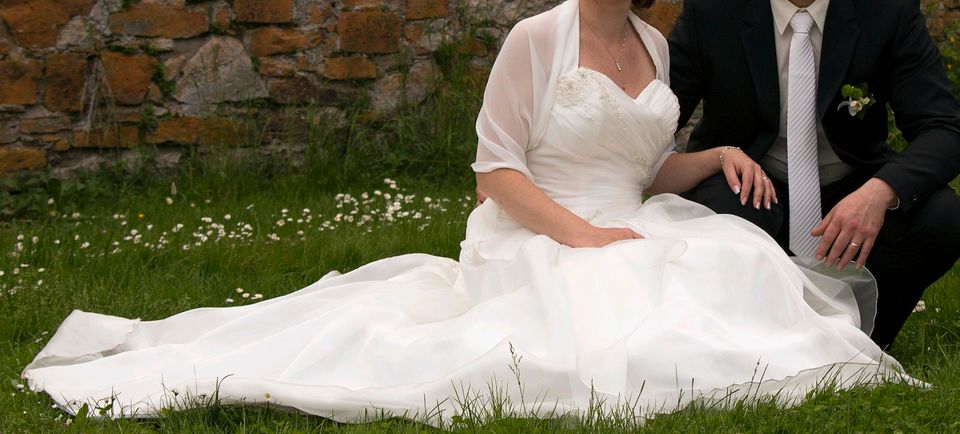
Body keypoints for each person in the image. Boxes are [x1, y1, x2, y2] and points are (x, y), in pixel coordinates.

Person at [23, 0, 906, 423]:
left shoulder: (653, 44)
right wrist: (582, 236)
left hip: (626, 215)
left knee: (732, 268)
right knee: (606, 323)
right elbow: (495, 171)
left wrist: (709, 157)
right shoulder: (539, 36)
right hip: (536, 226)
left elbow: (637, 167)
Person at [669, 0, 960, 350]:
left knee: (943, 217)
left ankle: (862, 336)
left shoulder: (887, 10)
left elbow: (943, 127)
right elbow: (657, 120)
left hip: (851, 192)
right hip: (748, 188)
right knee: (722, 212)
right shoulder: (712, 10)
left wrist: (881, 191)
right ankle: (751, 343)